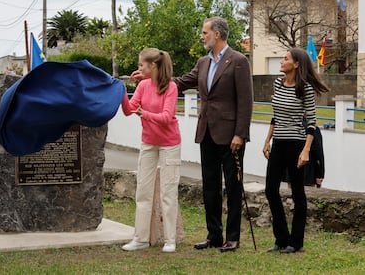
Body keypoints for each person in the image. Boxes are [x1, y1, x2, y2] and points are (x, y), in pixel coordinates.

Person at [133, 17, 253, 252]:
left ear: (217, 34)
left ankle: (233, 238)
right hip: (206, 132)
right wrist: (151, 77)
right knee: (210, 186)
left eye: (205, 32)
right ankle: (214, 235)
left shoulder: (238, 61)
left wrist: (240, 134)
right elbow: (179, 82)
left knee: (232, 185)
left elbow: (246, 102)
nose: (202, 35)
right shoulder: (202, 63)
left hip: (230, 135)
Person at [262, 48, 330, 254]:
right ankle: (281, 239)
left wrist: (306, 150)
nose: (281, 61)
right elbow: (276, 115)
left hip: (297, 144)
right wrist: (267, 141)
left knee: (297, 193)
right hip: (279, 143)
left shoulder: (305, 89)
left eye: (285, 59)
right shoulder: (277, 83)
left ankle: (296, 241)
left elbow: (312, 122)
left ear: (297, 64)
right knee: (270, 189)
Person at [121, 48, 181, 253]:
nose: (138, 69)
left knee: (168, 192)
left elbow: (167, 117)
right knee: (143, 191)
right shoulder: (143, 85)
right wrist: (122, 91)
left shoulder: (170, 87)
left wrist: (144, 114)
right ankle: (140, 239)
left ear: (152, 65)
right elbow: (129, 110)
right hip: (148, 142)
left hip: (169, 144)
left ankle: (170, 239)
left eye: (141, 65)